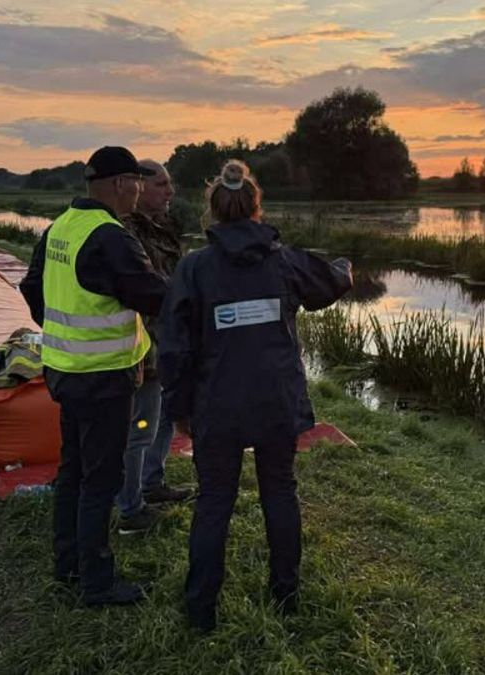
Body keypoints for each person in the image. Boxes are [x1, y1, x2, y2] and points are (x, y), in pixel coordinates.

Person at [157, 160, 352, 632]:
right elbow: (331, 282)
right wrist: (345, 268)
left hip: (216, 407)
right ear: (255, 207)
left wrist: (179, 409)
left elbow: (174, 347)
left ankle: (201, 611)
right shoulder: (282, 261)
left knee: (213, 502)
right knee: (280, 493)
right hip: (275, 404)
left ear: (214, 210)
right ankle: (286, 595)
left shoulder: (194, 268)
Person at [18, 146, 167, 607]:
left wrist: (60, 330)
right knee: (101, 479)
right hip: (103, 377)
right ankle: (97, 582)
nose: (141, 189)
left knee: (73, 471)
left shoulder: (61, 226)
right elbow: (152, 295)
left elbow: (30, 286)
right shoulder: (110, 236)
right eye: (138, 181)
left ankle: (67, 565)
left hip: (64, 370)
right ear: (121, 183)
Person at [114, 158, 190, 534]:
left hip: (168, 343)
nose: (170, 191)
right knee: (139, 427)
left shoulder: (163, 228)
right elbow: (150, 288)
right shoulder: (127, 233)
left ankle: (152, 483)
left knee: (162, 420)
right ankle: (130, 508)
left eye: (170, 183)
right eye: (161, 184)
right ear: (140, 188)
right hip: (143, 345)